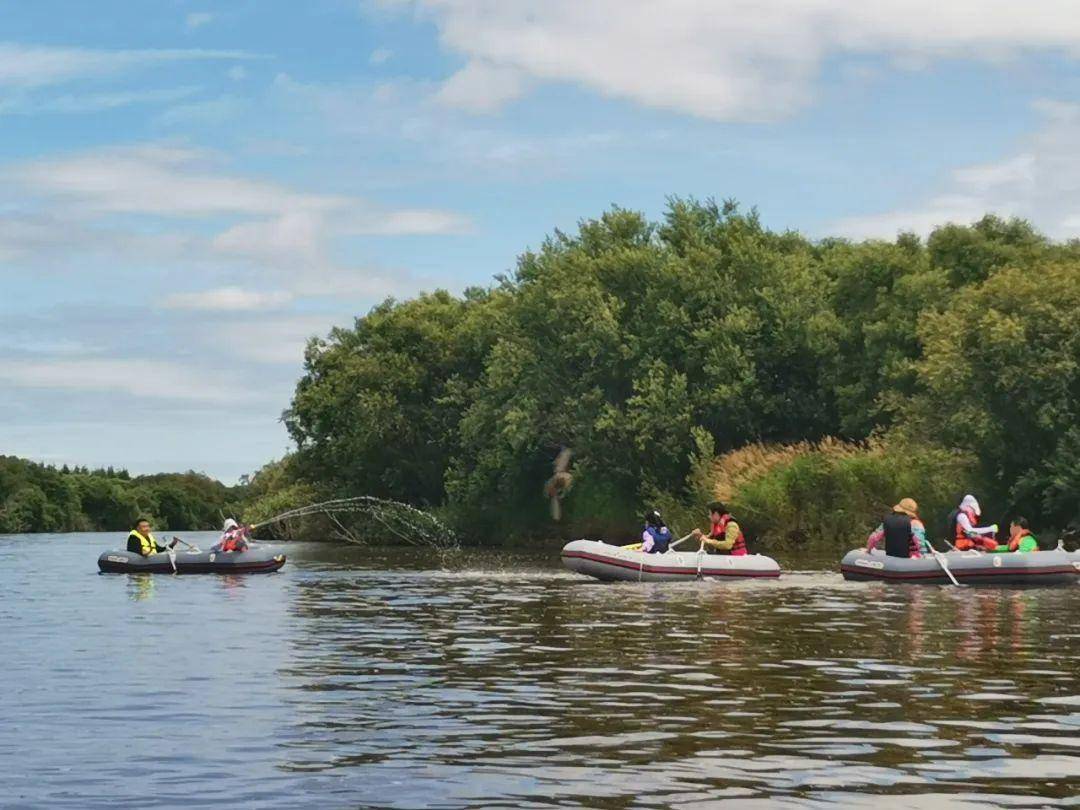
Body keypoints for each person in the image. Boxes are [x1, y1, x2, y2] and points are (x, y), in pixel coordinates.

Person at [865, 498, 931, 558]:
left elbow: (873, 538)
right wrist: (923, 556)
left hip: (891, 556)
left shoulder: (888, 521)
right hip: (911, 559)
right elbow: (919, 545)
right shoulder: (915, 524)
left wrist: (868, 550)